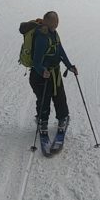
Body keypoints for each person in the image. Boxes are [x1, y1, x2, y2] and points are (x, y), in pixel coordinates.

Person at [19, 11, 78, 139]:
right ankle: (42, 121)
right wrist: (42, 71)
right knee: (44, 99)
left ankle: (63, 118)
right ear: (48, 21)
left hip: (54, 73)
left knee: (59, 96)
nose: (57, 24)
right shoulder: (41, 36)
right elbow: (36, 61)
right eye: (55, 21)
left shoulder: (54, 34)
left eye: (57, 21)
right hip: (40, 75)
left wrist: (69, 66)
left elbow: (60, 51)